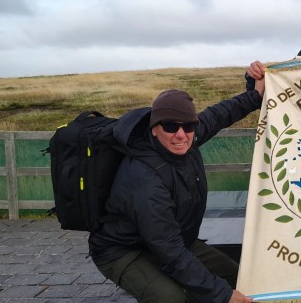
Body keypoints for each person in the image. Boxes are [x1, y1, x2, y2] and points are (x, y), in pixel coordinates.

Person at [88, 83, 264, 303]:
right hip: (124, 250)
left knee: (238, 278)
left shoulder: (188, 139)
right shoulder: (145, 179)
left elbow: (220, 114)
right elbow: (169, 253)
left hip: (174, 239)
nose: (181, 135)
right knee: (171, 297)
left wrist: (256, 94)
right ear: (154, 128)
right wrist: (222, 295)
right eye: (171, 126)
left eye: (188, 126)